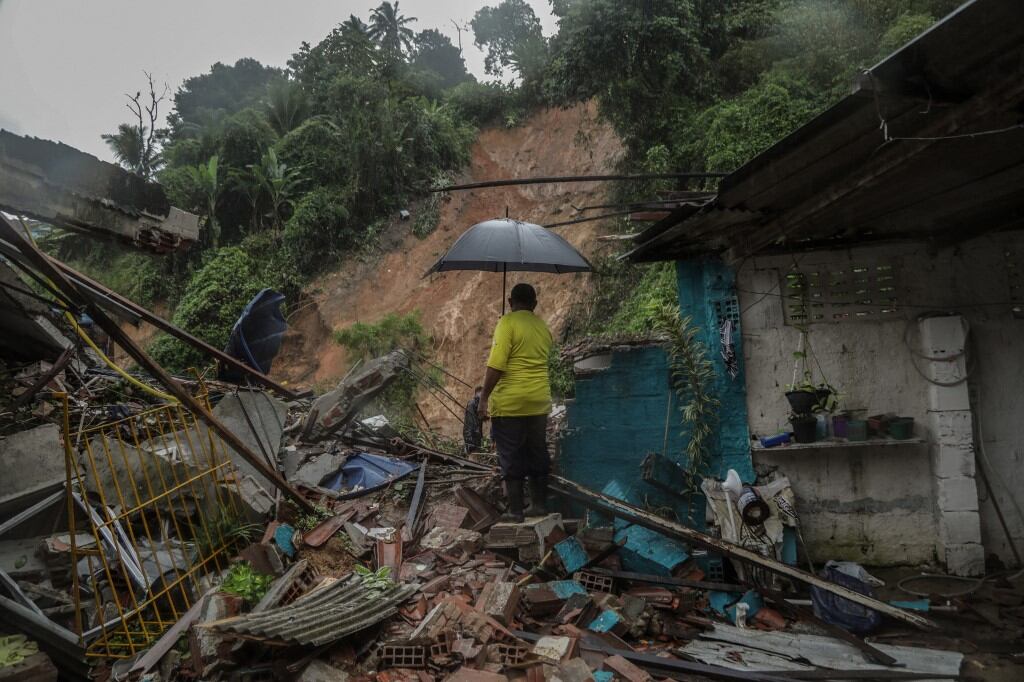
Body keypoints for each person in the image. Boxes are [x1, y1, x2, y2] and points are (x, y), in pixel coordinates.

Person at [478, 283, 552, 522]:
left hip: (511, 403)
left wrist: (484, 398)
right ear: (535, 304)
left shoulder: (506, 323)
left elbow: (496, 364)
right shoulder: (542, 326)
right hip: (539, 401)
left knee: (511, 455)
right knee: (537, 451)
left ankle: (516, 511)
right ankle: (539, 505)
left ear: (510, 302)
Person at [463, 386, 484, 454]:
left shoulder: (478, 404)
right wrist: (470, 440)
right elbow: (469, 423)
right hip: (472, 437)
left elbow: (478, 422)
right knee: (473, 456)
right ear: (478, 393)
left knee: (476, 455)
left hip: (476, 436)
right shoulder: (472, 404)